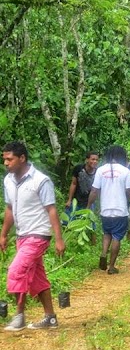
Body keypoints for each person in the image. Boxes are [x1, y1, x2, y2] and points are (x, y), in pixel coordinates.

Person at [1, 141, 65, 331]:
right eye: (4, 159)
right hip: (22, 236)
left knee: (16, 271)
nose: (6, 163)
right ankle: (50, 317)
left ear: (22, 158)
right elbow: (9, 209)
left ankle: (19, 316)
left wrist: (59, 239)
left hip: (38, 235)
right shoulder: (8, 181)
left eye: (9, 159)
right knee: (37, 277)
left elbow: (51, 210)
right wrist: (3, 234)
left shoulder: (40, 180)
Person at [87, 145, 130, 274]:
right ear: (121, 156)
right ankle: (111, 266)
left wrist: (88, 207)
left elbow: (94, 191)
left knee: (107, 234)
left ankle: (104, 253)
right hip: (120, 210)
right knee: (117, 237)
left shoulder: (100, 170)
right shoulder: (125, 171)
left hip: (105, 210)